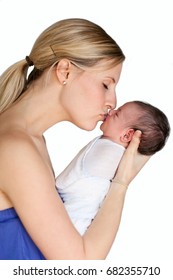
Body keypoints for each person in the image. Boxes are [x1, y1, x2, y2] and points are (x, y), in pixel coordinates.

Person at [0, 18, 150, 260]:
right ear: (64, 71)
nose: (112, 101)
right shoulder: (16, 148)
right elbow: (79, 266)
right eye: (106, 84)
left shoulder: (30, 140)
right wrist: (121, 182)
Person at [56, 100, 170, 235]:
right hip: (71, 220)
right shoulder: (111, 148)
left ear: (127, 135)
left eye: (117, 114)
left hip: (70, 222)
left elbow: (66, 183)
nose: (111, 111)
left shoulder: (110, 154)